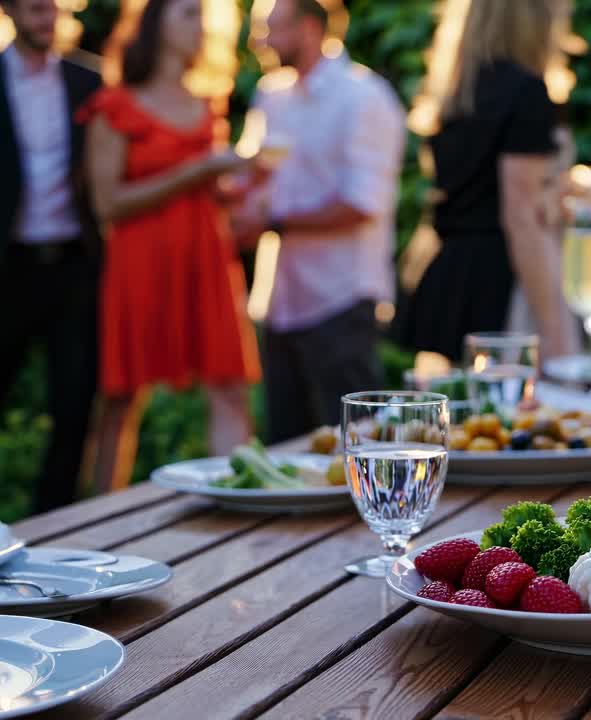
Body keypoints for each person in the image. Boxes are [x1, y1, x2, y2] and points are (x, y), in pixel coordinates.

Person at [82, 0, 260, 492]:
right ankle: (103, 519)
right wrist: (196, 173)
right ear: (153, 25)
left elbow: (212, 195)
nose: (200, 26)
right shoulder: (115, 105)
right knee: (121, 399)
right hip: (139, 262)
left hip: (206, 258)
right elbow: (108, 203)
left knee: (228, 386)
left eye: (204, 16)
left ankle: (243, 501)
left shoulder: (207, 104)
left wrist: (241, 185)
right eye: (187, 14)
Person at [233, 0, 405, 442]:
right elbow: (254, 179)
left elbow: (362, 204)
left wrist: (278, 223)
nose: (262, 42)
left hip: (340, 299)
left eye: (271, 29)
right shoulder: (271, 94)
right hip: (279, 303)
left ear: (310, 28)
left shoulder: (364, 97)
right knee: (287, 449)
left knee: (357, 447)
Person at [394, 0, 577, 362]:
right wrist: (556, 334)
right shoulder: (525, 92)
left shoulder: (460, 92)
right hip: (500, 288)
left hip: (451, 278)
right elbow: (520, 217)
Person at [0, 0, 101, 511]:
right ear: (11, 11)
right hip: (8, 267)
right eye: (37, 8)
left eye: (54, 8)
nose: (48, 18)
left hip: (73, 264)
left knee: (75, 405)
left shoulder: (89, 81)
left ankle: (55, 524)